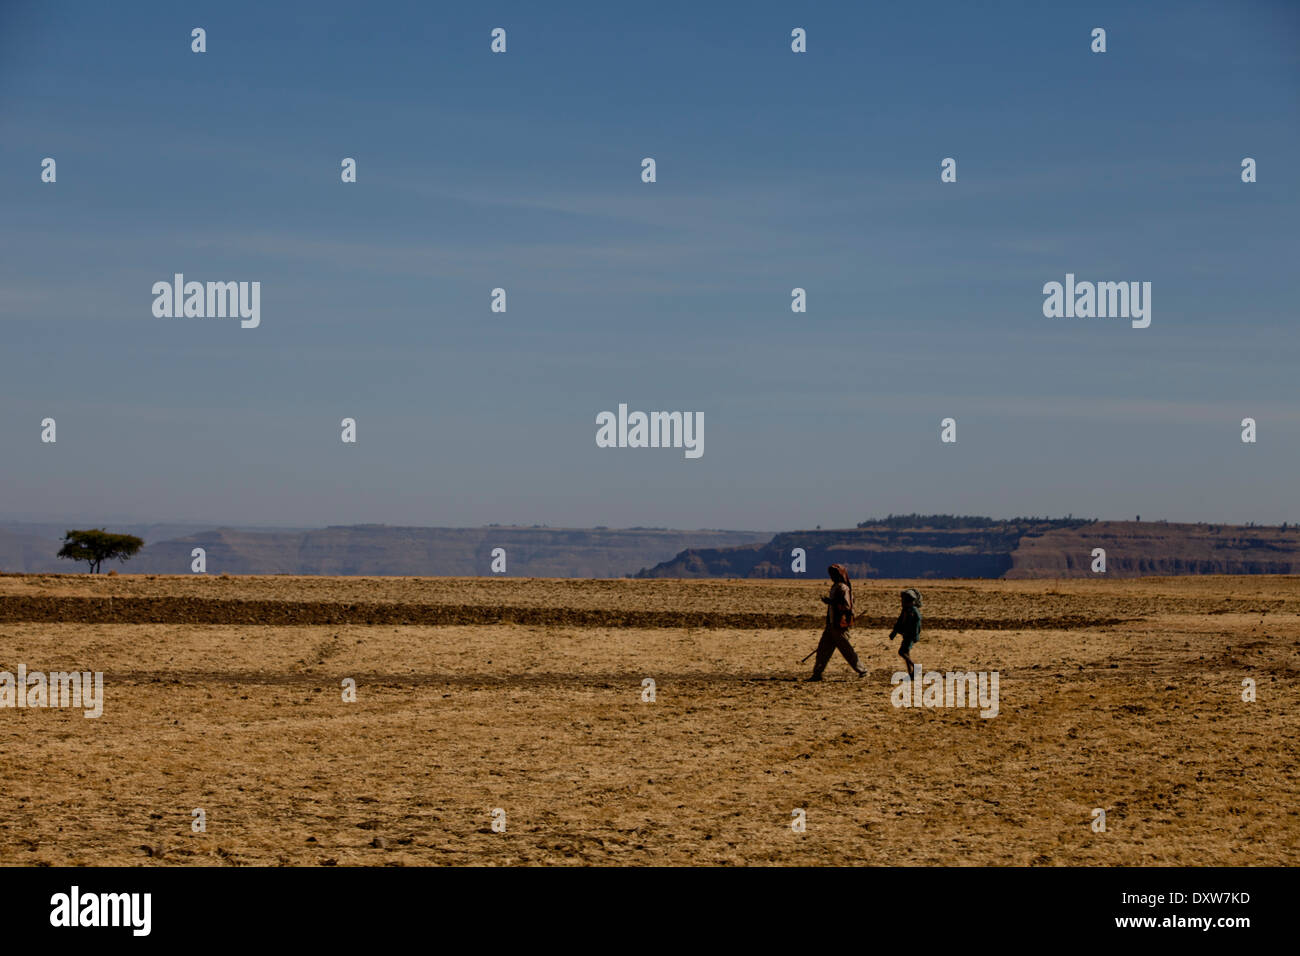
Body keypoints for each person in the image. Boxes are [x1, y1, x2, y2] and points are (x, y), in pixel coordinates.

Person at [807, 564, 868, 681]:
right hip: (831, 624)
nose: (832, 576)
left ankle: (863, 671)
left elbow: (847, 606)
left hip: (840, 625)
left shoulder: (843, 588)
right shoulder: (835, 587)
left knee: (847, 650)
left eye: (834, 574)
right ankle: (817, 674)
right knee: (822, 650)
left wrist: (831, 602)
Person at [888, 588, 922, 680]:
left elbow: (917, 624)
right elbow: (899, 622)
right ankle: (911, 673)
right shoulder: (906, 610)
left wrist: (915, 635)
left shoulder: (913, 611)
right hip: (906, 634)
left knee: (902, 652)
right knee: (906, 652)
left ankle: (915, 667)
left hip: (910, 635)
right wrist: (894, 633)